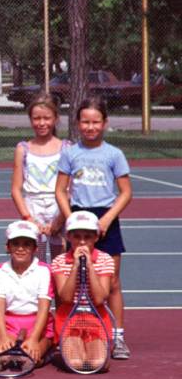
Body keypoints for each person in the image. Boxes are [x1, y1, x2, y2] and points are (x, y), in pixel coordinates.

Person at [55, 96, 132, 359]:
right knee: (73, 278)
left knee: (112, 282)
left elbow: (125, 192)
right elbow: (60, 190)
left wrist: (107, 219)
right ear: (78, 123)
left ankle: (117, 336)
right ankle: (67, 332)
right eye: (85, 122)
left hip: (104, 218)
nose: (90, 127)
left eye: (95, 122)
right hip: (78, 217)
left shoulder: (114, 154)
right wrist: (70, 219)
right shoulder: (70, 153)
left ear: (105, 123)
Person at [51, 211, 114, 371]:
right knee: (77, 364)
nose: (82, 242)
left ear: (96, 237)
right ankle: (65, 347)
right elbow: (65, 298)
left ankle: (94, 347)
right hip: (69, 318)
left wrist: (90, 267)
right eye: (77, 236)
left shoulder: (105, 259)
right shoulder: (59, 261)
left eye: (87, 237)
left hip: (96, 318)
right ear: (69, 237)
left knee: (97, 364)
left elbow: (100, 298)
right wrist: (75, 266)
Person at [12, 94, 69, 263]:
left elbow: (69, 189)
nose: (41, 123)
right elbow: (16, 189)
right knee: (37, 264)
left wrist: (59, 221)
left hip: (59, 209)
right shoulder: (23, 149)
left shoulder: (66, 148)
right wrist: (29, 218)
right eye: (36, 118)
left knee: (61, 264)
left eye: (46, 118)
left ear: (56, 119)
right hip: (32, 209)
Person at [0, 220, 54, 365]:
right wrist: (2, 336)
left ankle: (47, 344)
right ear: (8, 247)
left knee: (29, 360)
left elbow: (44, 308)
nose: (20, 248)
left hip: (38, 325)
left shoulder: (44, 271)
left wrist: (33, 339)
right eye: (15, 244)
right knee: (4, 360)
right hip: (11, 325)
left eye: (26, 244)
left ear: (35, 248)